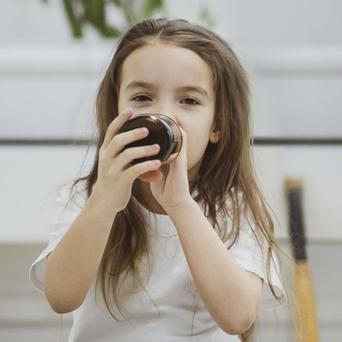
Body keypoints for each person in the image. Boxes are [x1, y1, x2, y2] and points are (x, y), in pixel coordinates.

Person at [29, 18, 287, 342]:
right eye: (141, 98)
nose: (162, 115)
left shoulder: (231, 206)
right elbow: (61, 297)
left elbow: (238, 317)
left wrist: (181, 205)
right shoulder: (86, 197)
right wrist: (104, 202)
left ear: (217, 126)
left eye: (189, 101)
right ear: (115, 113)